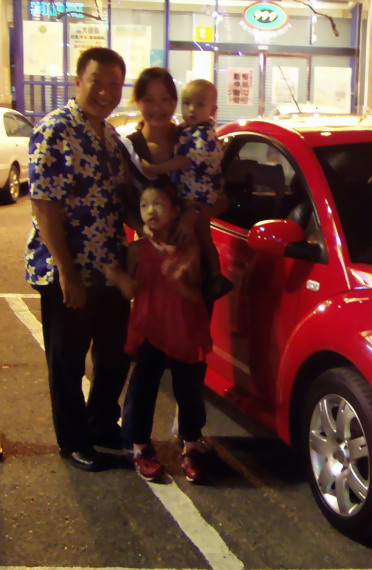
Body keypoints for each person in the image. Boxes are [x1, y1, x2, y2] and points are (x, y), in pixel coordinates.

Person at [25, 47, 131, 472]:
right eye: (96, 82)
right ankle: (73, 442)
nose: (105, 91)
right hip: (67, 269)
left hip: (109, 267)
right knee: (68, 361)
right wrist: (67, 273)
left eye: (113, 84)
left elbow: (121, 200)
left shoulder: (110, 137)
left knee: (115, 353)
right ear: (77, 82)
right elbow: (44, 205)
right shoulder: (55, 129)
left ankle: (101, 424)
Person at [104, 182, 212, 482]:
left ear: (175, 211)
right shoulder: (136, 250)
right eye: (144, 205)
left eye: (159, 204)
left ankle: (191, 446)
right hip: (149, 328)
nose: (151, 210)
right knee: (143, 387)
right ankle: (139, 447)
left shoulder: (189, 247)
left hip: (184, 327)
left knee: (188, 389)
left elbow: (195, 294)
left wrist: (178, 278)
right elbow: (131, 291)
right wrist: (119, 279)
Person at [139, 78, 228, 301]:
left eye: (199, 104)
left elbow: (185, 160)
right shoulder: (186, 130)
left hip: (200, 194)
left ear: (212, 110)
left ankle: (215, 276)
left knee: (202, 235)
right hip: (189, 194)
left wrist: (157, 168)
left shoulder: (204, 134)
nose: (191, 109)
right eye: (187, 103)